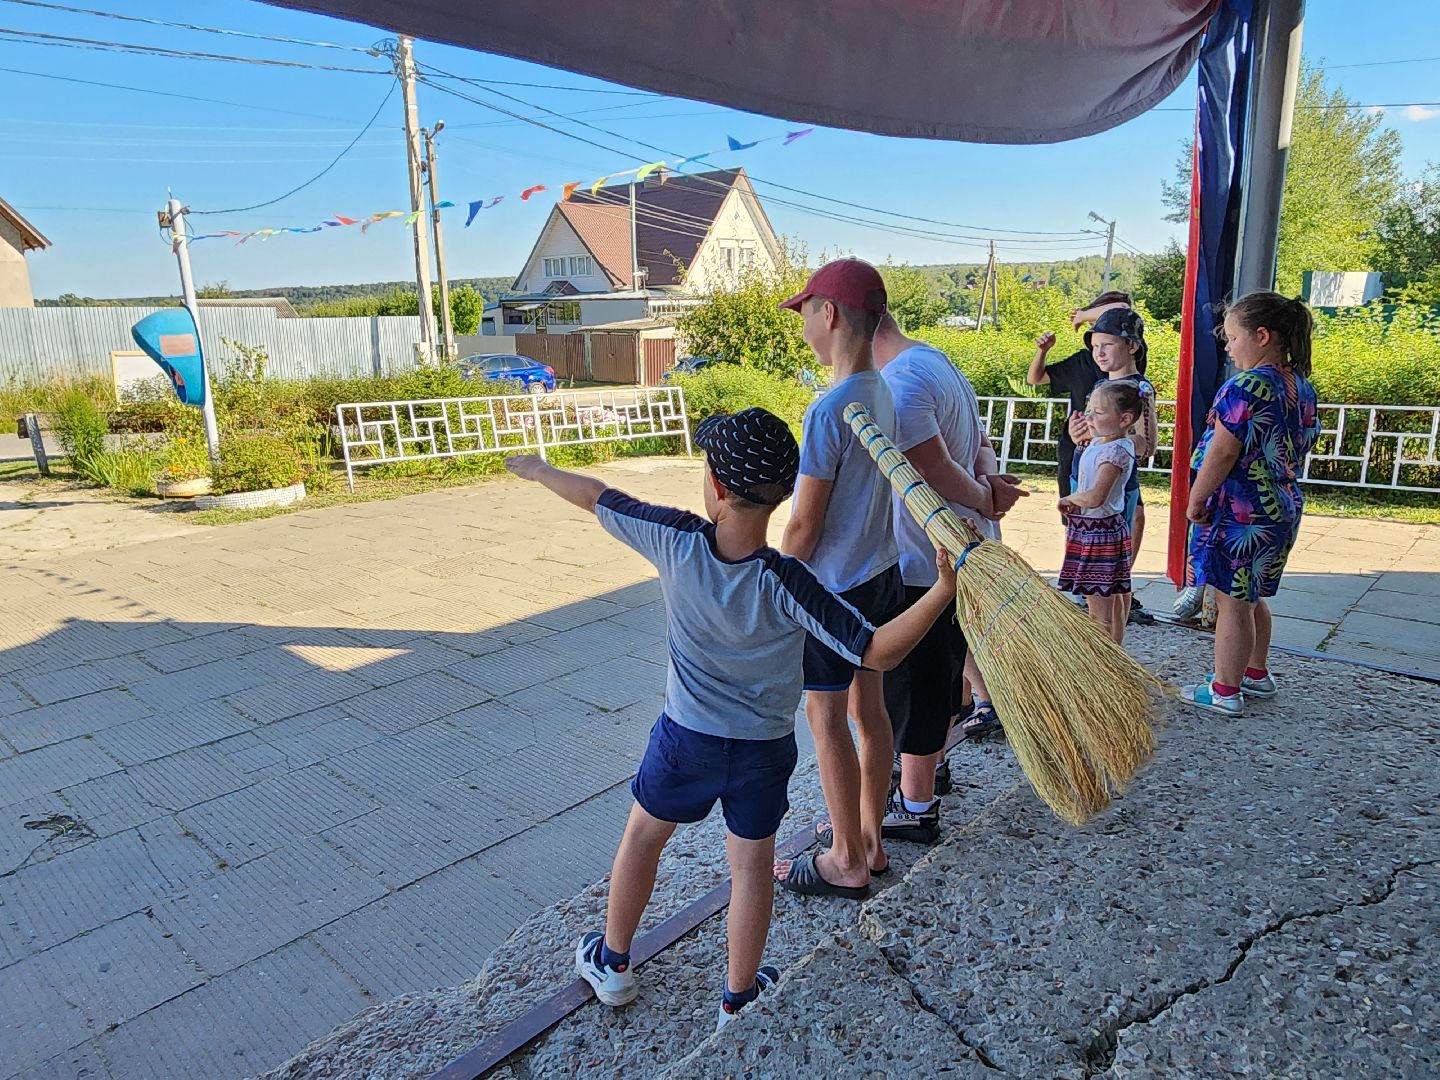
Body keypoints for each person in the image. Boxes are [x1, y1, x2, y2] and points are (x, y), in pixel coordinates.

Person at [503, 408, 959, 1028]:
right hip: (762, 753)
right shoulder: (789, 581)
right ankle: (737, 998)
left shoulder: (674, 537)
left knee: (643, 837)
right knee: (750, 868)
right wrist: (940, 592)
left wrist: (537, 468)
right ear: (785, 492)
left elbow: (595, 496)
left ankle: (612, 962)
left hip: (683, 741)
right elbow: (876, 649)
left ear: (716, 487)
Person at [771, 259, 903, 895]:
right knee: (868, 709)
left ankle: (844, 858)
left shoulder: (829, 410)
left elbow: (803, 529)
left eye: (804, 313)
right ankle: (872, 838)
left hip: (831, 591)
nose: (803, 326)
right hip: (879, 575)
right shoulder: (884, 392)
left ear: (827, 313)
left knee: (825, 721)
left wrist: (771, 577)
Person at [871, 314, 1027, 842]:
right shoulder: (935, 360)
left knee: (917, 685)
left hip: (925, 560)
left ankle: (915, 807)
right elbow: (980, 443)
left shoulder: (900, 381)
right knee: (943, 673)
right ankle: (933, 773)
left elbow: (929, 468)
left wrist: (986, 496)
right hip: (955, 551)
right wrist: (989, 487)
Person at [1182, 292, 1320, 716]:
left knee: (1230, 601)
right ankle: (1255, 673)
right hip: (1279, 503)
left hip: (1240, 509)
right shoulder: (1299, 384)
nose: (1227, 346)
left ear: (1262, 336)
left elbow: (1223, 452)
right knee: (1252, 594)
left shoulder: (1248, 384)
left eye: (1232, 337)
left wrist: (1196, 498)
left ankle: (1225, 689)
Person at [1064, 308, 1159, 623]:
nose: (1099, 353)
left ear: (1132, 346)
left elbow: (1146, 444)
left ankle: (1108, 643)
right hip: (1085, 479)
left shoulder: (1139, 389)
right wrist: (1078, 433)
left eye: (1107, 345)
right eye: (1094, 346)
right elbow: (1090, 433)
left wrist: (1110, 439)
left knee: (1111, 580)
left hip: (1113, 492)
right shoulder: (1099, 385)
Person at [1057, 380, 1143, 644]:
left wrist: (1069, 498)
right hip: (1099, 530)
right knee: (1112, 598)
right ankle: (1114, 657)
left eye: (1099, 412)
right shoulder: (1101, 442)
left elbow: (1096, 496)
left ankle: (1103, 663)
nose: (1090, 417)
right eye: (1089, 409)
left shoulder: (1115, 451)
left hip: (1099, 534)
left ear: (1124, 419)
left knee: (1100, 611)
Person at [1026, 290, 1133, 498]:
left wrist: (1082, 315)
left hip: (1115, 451)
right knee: (1075, 520)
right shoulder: (1082, 360)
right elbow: (1035, 378)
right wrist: (1042, 351)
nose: (1100, 352)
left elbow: (1123, 310)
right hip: (1075, 451)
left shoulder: (1130, 357)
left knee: (1127, 516)